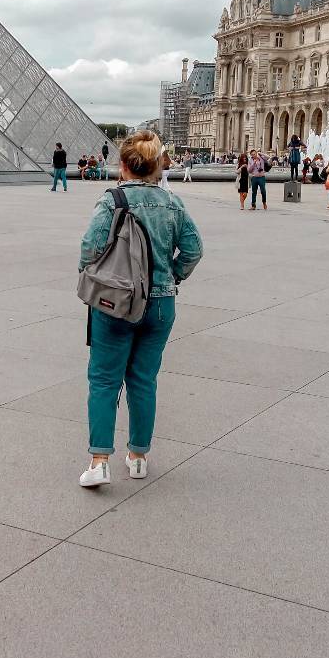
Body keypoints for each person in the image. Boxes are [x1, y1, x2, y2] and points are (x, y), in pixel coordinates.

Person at [78, 130, 203, 488]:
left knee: (104, 380)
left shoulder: (112, 200)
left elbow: (90, 247)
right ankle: (138, 458)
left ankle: (100, 460)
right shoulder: (173, 203)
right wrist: (171, 278)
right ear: (156, 165)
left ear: (123, 165)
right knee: (144, 380)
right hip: (161, 304)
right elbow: (194, 250)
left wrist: (93, 277)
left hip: (116, 301)